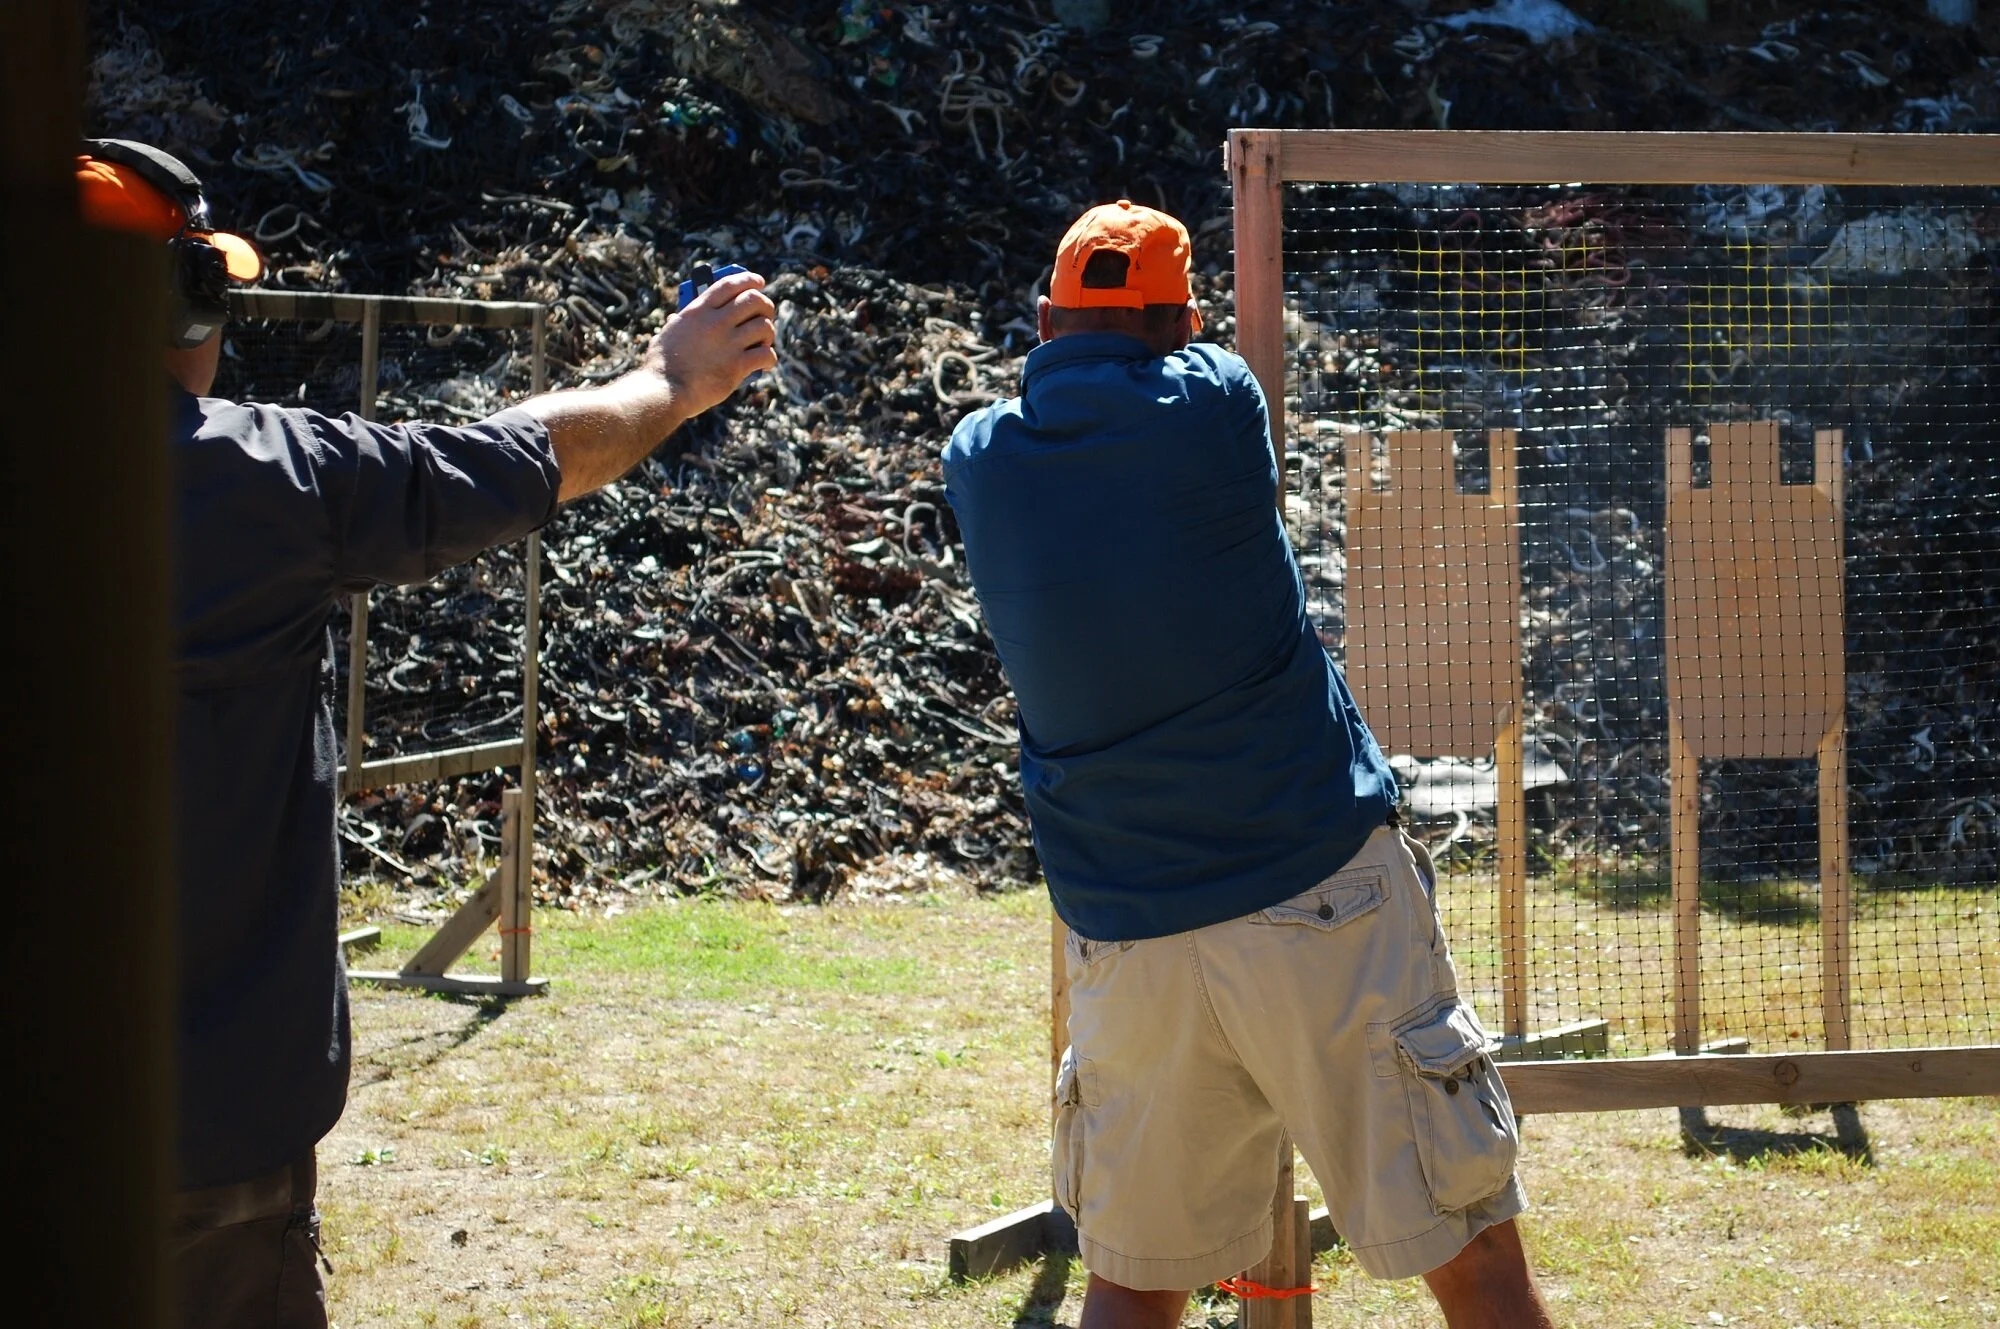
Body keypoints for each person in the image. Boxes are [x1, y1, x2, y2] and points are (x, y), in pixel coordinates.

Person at [76, 138, 777, 1329]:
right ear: (177, 301)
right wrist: (672, 377)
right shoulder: (259, 483)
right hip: (205, 1130)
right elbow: (519, 459)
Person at [941, 200, 1556, 1329]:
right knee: (1471, 1257)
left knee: (1132, 1278)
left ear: (1041, 322)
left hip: (1125, 927)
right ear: (1182, 323)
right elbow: (1207, 363)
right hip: (1309, 882)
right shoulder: (1218, 402)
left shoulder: (977, 458)